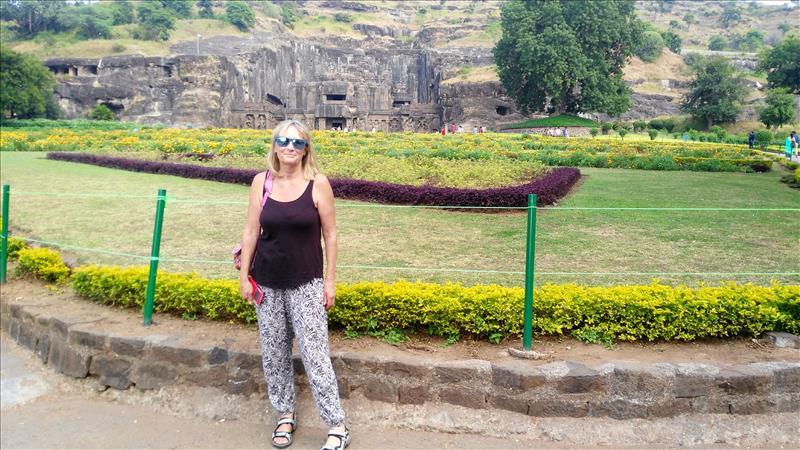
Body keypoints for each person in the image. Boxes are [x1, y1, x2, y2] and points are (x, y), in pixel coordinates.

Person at [238, 119, 349, 450]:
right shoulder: (262, 182)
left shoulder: (318, 184)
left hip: (307, 283)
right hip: (267, 282)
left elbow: (330, 234)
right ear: (274, 145)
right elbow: (250, 231)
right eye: (284, 141)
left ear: (306, 150)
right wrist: (244, 277)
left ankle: (336, 424)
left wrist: (329, 282)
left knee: (315, 354)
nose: (289, 147)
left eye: (297, 143)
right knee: (274, 353)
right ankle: (284, 415)